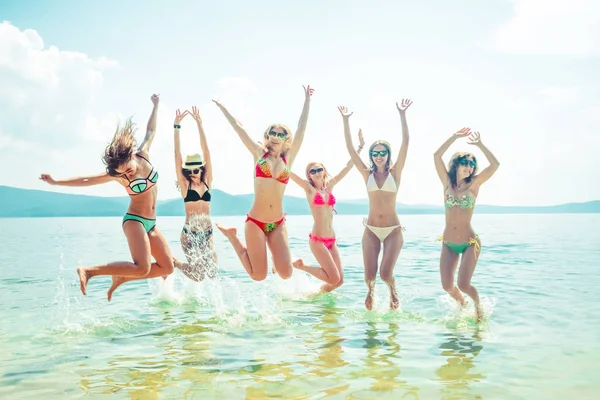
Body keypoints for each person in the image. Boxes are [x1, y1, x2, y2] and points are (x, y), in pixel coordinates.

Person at [39, 94, 175, 301]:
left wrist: (156, 105)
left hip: (152, 223)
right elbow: (86, 180)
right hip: (135, 221)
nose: (126, 175)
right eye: (121, 174)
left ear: (131, 156)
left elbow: (151, 131)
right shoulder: (118, 176)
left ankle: (121, 277)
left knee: (168, 267)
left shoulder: (143, 155)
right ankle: (89, 271)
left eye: (128, 170)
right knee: (142, 267)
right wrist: (56, 182)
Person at [213, 85, 314, 281]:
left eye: (281, 134)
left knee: (286, 273)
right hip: (256, 222)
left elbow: (302, 129)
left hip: (277, 222)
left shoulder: (288, 159)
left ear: (287, 140)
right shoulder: (259, 154)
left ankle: (278, 258)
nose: (276, 137)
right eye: (273, 133)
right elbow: (239, 128)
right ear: (267, 136)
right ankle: (233, 237)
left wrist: (307, 101)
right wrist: (223, 107)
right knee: (258, 275)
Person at [339, 99, 413, 311]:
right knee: (369, 277)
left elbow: (406, 143)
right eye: (375, 153)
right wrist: (345, 121)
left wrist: (402, 115)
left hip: (392, 231)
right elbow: (350, 149)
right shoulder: (366, 174)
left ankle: (392, 292)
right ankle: (370, 293)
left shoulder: (395, 173)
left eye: (383, 153)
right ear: (371, 156)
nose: (379, 156)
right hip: (371, 230)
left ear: (388, 155)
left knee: (385, 274)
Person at [433, 127, 500, 321]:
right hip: (448, 243)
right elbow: (436, 155)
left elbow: (495, 165)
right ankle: (462, 303)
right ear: (455, 164)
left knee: (464, 284)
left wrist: (480, 144)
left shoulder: (474, 184)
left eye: (472, 164)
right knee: (447, 286)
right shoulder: (447, 183)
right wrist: (454, 137)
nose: (469, 167)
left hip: (470, 242)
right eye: (465, 163)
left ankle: (479, 308)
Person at [290, 130, 365, 292]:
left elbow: (347, 167)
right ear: (309, 176)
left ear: (324, 171)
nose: (316, 173)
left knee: (338, 282)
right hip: (318, 240)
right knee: (334, 278)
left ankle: (316, 296)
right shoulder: (309, 189)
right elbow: (289, 173)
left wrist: (359, 148)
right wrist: (275, 156)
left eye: (319, 170)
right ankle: (301, 266)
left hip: (332, 240)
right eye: (312, 171)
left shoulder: (330, 186)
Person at [171, 106, 218, 282]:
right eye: (190, 170)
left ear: (202, 168)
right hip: (189, 234)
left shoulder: (207, 182)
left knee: (212, 272)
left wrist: (199, 124)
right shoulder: (185, 186)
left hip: (207, 233)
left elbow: (207, 152)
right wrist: (177, 127)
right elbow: (177, 155)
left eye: (196, 169)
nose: (193, 173)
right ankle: (174, 262)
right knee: (198, 276)